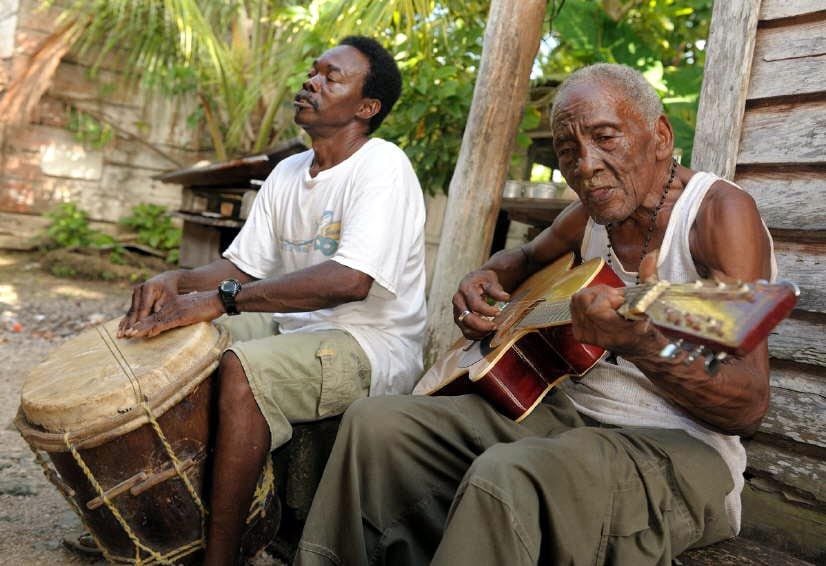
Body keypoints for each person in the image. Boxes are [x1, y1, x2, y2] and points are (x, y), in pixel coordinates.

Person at [293, 63, 777, 566]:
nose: (586, 165)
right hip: (568, 419)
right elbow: (523, 260)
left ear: (659, 136)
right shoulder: (595, 212)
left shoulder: (717, 215)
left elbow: (747, 406)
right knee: (375, 425)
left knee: (507, 475)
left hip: (680, 449)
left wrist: (641, 344)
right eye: (568, 150)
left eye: (606, 138)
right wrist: (484, 280)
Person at [117, 36, 427, 565]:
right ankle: (158, 523)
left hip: (371, 344)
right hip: (297, 329)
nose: (312, 82)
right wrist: (178, 280)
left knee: (241, 365)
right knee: (173, 333)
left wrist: (226, 300)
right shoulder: (288, 173)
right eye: (313, 71)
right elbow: (241, 267)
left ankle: (220, 556)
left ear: (366, 108)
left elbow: (351, 281)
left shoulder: (382, 166)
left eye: (333, 78)